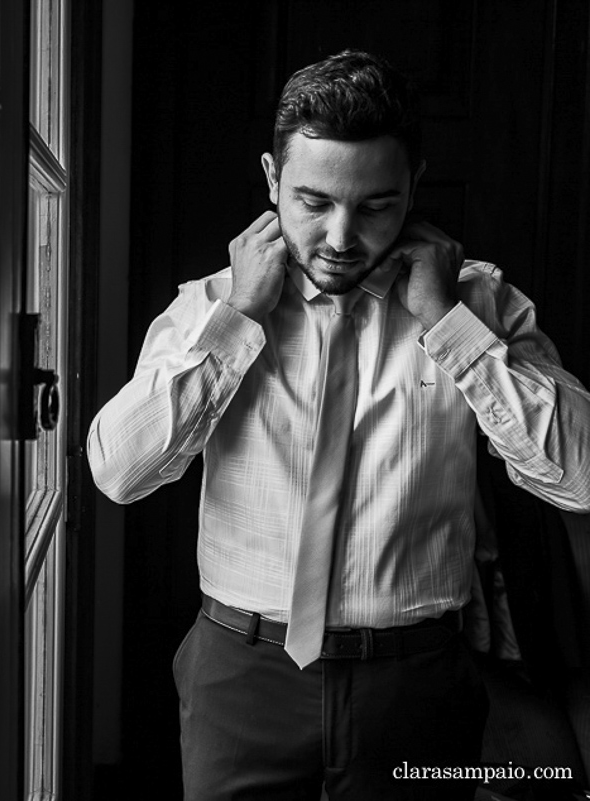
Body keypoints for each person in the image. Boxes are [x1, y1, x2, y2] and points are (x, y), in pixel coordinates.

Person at [87, 49, 590, 800]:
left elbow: (582, 476)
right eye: (314, 201)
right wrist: (237, 323)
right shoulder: (211, 305)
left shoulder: (478, 305)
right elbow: (117, 472)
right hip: (240, 673)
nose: (342, 235)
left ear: (414, 184)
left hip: (415, 682)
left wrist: (448, 325)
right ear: (271, 180)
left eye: (376, 204)